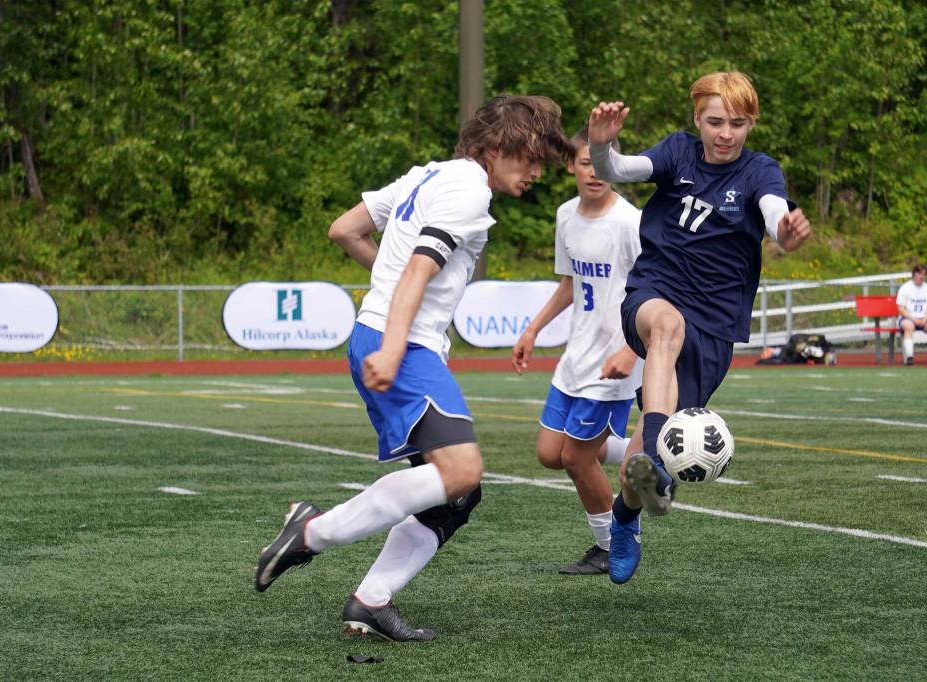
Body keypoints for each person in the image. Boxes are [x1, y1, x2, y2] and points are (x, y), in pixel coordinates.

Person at [254, 95, 574, 641]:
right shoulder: (468, 191)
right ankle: (312, 531)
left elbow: (344, 230)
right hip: (402, 342)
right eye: (531, 157)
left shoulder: (428, 174)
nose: (538, 171)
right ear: (496, 148)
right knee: (462, 472)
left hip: (384, 332)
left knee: (458, 494)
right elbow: (418, 273)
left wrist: (390, 299)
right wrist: (397, 339)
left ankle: (370, 602)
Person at [586, 71, 811, 584]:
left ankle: (625, 517)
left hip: (715, 321)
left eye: (737, 123)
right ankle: (657, 442)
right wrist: (601, 147)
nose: (725, 132)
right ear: (696, 120)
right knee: (664, 327)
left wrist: (786, 232)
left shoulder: (759, 172)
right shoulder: (676, 153)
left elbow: (776, 212)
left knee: (635, 472)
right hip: (656, 291)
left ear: (751, 123)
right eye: (715, 121)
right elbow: (619, 168)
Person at [511, 131, 643, 576]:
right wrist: (532, 329)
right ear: (571, 166)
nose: (595, 171)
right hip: (576, 358)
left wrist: (632, 348)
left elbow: (659, 291)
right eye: (586, 163)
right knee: (551, 453)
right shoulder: (566, 215)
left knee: (575, 458)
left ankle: (612, 544)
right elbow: (570, 284)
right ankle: (642, 457)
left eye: (604, 162)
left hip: (615, 362)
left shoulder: (630, 223)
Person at [896, 264, 926, 365]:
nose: (921, 277)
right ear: (914, 274)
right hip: (907, 318)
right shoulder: (905, 288)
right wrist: (913, 319)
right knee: (909, 326)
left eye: (923, 274)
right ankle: (909, 356)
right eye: (919, 274)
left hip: (923, 318)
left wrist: (925, 318)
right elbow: (901, 308)